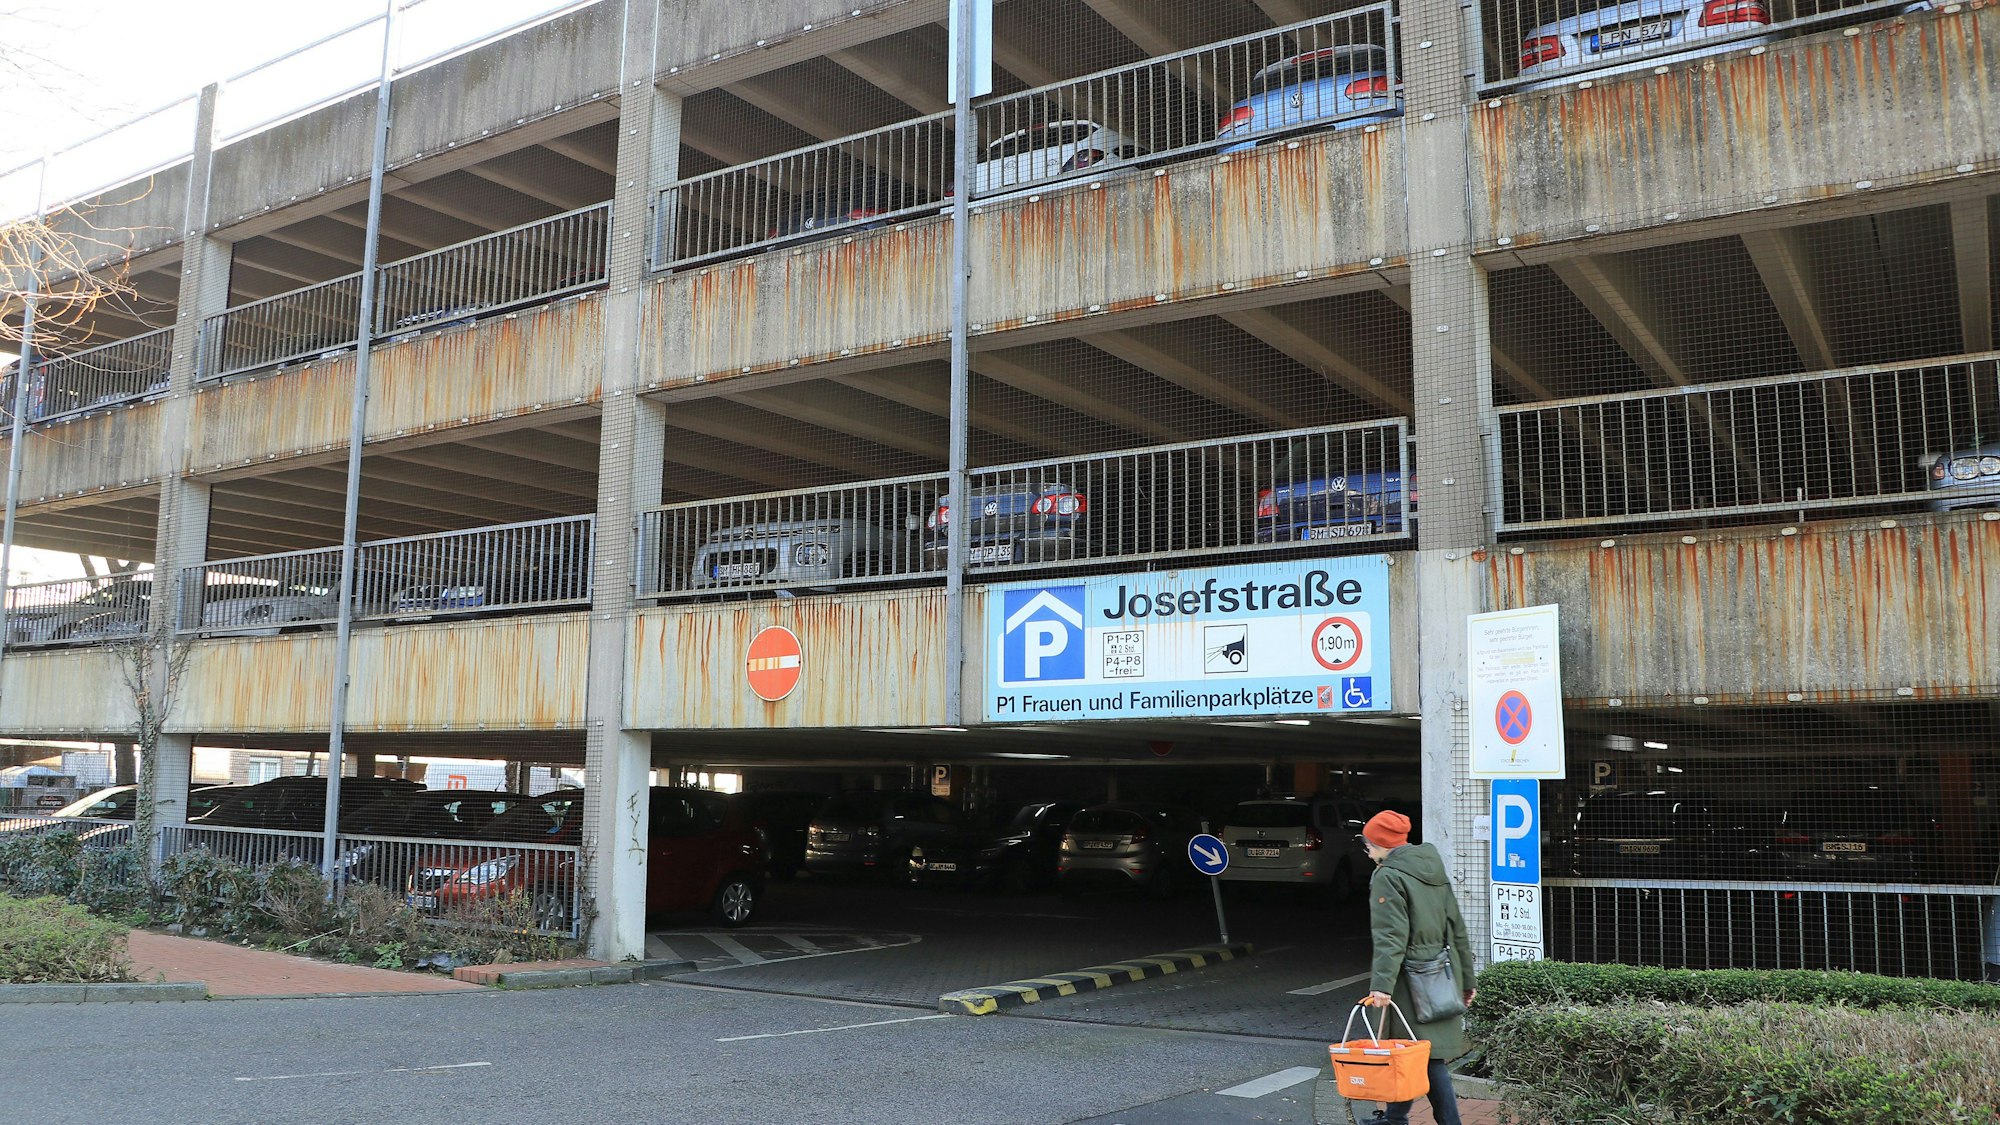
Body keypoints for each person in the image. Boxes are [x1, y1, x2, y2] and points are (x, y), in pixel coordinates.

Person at [1354, 809, 1475, 1125]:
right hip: (1442, 973)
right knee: (1415, 1053)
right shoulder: (1432, 868)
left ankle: (1444, 1123)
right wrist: (1466, 980)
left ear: (1380, 844)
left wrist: (1380, 985)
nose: (1366, 850)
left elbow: (1390, 936)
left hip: (1411, 980)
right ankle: (1394, 1119)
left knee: (1423, 1056)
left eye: (1367, 844)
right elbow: (1456, 926)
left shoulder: (1388, 876)